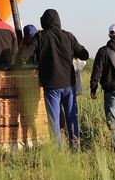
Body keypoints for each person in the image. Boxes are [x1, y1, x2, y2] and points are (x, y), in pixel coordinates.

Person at [21, 8, 88, 147]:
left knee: (54, 119)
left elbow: (23, 55)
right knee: (71, 116)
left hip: (51, 86)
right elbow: (84, 54)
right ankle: (74, 146)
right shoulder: (68, 36)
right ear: (58, 21)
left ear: (44, 22)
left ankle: (58, 150)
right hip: (69, 84)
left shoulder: (40, 37)